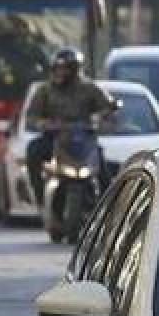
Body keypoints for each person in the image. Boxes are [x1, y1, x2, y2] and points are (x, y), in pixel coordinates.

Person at [25, 48, 115, 202]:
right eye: (58, 68)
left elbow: (108, 106)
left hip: (82, 139)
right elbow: (31, 117)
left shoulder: (90, 89)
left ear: (75, 70)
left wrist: (104, 117)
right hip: (55, 139)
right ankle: (39, 195)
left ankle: (108, 205)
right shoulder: (45, 90)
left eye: (65, 69)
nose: (60, 73)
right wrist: (43, 124)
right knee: (33, 150)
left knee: (102, 166)